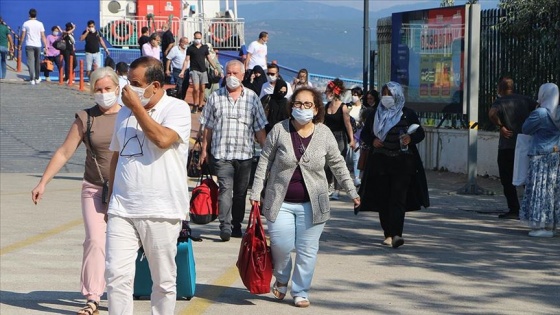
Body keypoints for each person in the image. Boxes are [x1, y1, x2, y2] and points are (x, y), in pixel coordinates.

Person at [250, 86, 360, 308]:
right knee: (281, 245)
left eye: (307, 104)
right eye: (298, 104)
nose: (302, 108)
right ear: (292, 107)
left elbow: (337, 164)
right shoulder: (280, 130)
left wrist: (352, 191)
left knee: (307, 250)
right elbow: (264, 161)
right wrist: (255, 191)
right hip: (280, 201)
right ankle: (282, 278)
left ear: (316, 108)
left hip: (314, 203)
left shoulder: (324, 133)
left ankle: (300, 291)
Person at [31, 67, 121, 315]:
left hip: (126, 192)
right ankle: (93, 298)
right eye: (99, 90)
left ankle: (123, 290)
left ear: (118, 88)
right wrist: (43, 182)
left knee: (124, 244)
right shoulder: (86, 118)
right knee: (95, 240)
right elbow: (64, 152)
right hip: (95, 189)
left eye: (108, 89)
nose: (104, 94)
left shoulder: (130, 116)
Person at [105, 56, 191, 314]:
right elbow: (117, 155)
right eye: (127, 83)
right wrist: (110, 197)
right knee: (115, 275)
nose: (128, 90)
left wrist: (137, 109)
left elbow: (163, 139)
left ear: (155, 85)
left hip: (162, 209)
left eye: (135, 83)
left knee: (163, 280)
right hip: (123, 207)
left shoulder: (177, 108)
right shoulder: (123, 112)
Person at [199, 59, 267, 241]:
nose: (231, 77)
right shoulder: (215, 97)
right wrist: (204, 149)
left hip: (245, 155)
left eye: (235, 73)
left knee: (240, 192)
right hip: (222, 154)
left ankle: (237, 224)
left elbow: (260, 128)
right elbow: (208, 127)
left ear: (243, 76)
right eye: (228, 73)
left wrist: (267, 152)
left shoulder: (252, 98)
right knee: (225, 188)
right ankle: (225, 226)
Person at [358, 81, 429, 248]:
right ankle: (387, 233)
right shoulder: (375, 114)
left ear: (397, 95)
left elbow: (419, 133)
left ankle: (397, 234)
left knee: (398, 199)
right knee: (384, 199)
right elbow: (365, 134)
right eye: (384, 93)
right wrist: (373, 140)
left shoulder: (407, 114)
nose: (387, 97)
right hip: (380, 162)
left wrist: (410, 138)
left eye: (390, 94)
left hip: (403, 162)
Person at [488, 76, 537, 219]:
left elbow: (492, 113)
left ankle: (514, 209)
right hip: (525, 144)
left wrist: (500, 126)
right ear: (512, 87)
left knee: (507, 179)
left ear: (500, 88)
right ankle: (529, 208)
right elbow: (540, 108)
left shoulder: (499, 101)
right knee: (526, 178)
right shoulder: (525, 100)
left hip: (507, 146)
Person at [519, 83, 560, 237]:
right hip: (555, 154)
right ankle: (551, 225)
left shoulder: (541, 113)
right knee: (552, 190)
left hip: (540, 155)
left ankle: (540, 225)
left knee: (540, 189)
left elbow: (526, 129)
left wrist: (536, 108)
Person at [323, 79, 355, 200]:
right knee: (326, 164)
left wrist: (352, 140)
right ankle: (328, 186)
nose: (326, 93)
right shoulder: (327, 106)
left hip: (340, 137)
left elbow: (348, 125)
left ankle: (337, 190)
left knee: (338, 163)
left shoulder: (343, 107)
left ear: (333, 92)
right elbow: (322, 123)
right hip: (327, 137)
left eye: (327, 91)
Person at [179, 31, 219, 113]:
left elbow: (209, 58)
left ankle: (200, 105)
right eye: (196, 38)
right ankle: (195, 104)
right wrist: (183, 71)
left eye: (199, 38)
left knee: (202, 89)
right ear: (194, 38)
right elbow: (186, 60)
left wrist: (215, 68)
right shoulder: (190, 48)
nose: (198, 40)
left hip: (203, 70)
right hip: (194, 70)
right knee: (196, 89)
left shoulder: (204, 48)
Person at [19, 8, 48, 84]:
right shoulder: (40, 24)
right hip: (38, 45)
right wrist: (45, 46)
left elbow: (23, 36)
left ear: (29, 15)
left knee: (30, 62)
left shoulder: (26, 23)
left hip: (29, 44)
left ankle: (32, 79)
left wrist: (20, 44)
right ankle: (37, 78)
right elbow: (43, 36)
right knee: (37, 62)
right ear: (36, 15)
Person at [348, 86, 364, 186]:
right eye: (353, 95)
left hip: (360, 133)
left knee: (359, 156)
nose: (354, 97)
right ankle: (355, 178)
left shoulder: (363, 108)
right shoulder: (349, 107)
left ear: (360, 96)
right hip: (351, 133)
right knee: (353, 156)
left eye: (356, 95)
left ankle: (358, 177)